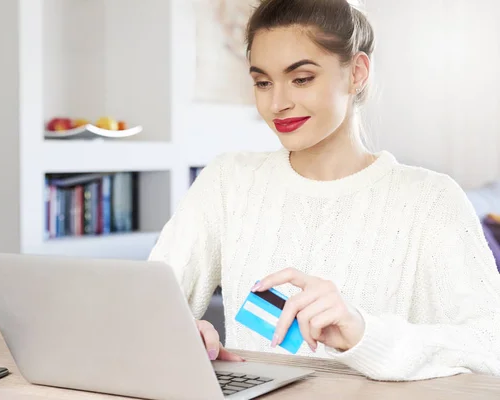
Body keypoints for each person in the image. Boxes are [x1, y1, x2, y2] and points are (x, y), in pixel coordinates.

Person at [148, 0, 500, 382]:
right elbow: (145, 305)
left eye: (301, 79)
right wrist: (175, 335)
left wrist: (362, 332)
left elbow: (489, 343)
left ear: (357, 73)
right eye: (263, 82)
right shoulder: (226, 181)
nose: (277, 104)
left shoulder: (431, 200)